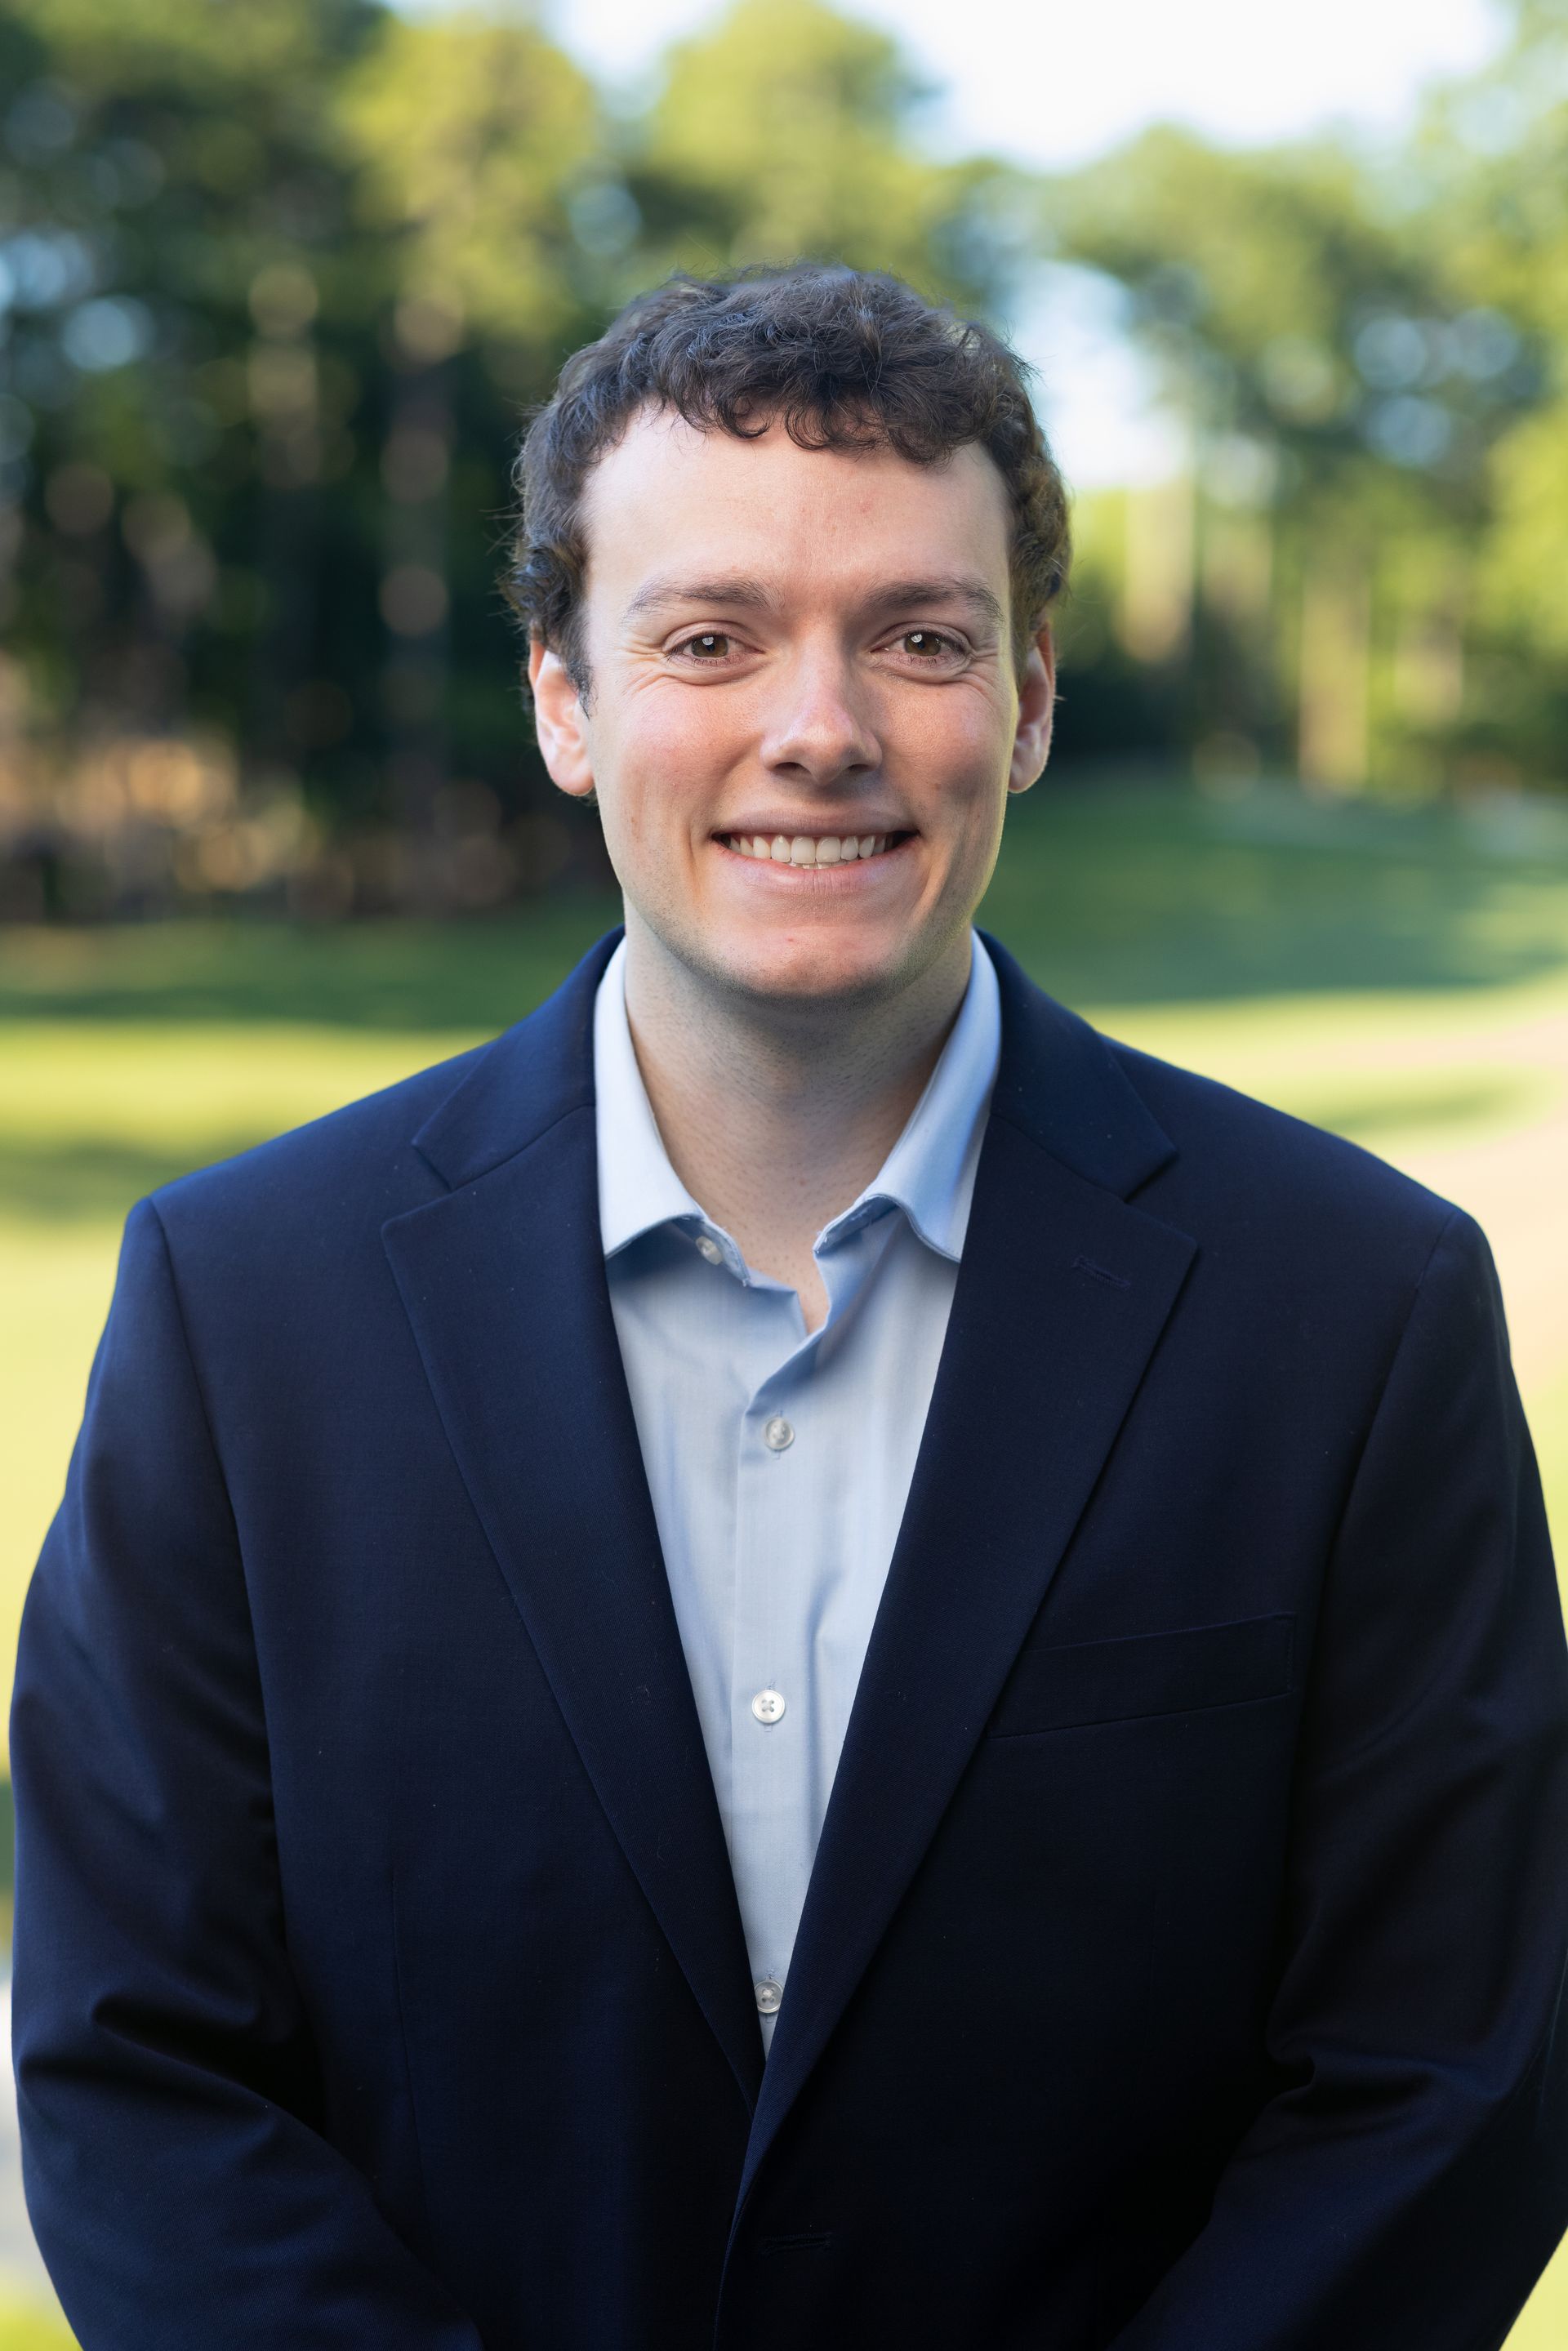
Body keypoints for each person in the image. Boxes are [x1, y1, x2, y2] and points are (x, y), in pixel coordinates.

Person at [11, 265, 1568, 2351]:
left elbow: (1447, 2082)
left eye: (919, 639)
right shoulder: (240, 1310)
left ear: (1026, 699)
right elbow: (140, 2064)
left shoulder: (1359, 1310)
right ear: (567, 700)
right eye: (709, 638)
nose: (817, 729)